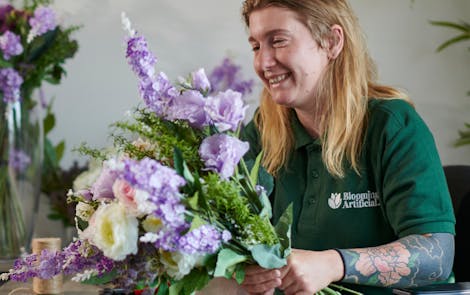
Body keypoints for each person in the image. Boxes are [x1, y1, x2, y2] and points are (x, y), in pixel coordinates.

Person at [238, 1, 456, 294]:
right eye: (255, 46)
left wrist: (332, 264)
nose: (263, 63)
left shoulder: (393, 126)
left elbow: (436, 255)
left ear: (331, 42)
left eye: (278, 41)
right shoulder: (262, 131)